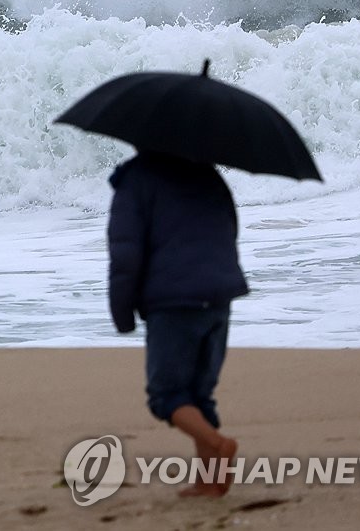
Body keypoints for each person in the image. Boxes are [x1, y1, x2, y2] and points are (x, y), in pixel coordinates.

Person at [107, 150, 247, 497]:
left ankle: (219, 443)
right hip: (218, 295)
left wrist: (122, 313)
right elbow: (231, 227)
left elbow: (125, 253)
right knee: (200, 394)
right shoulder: (208, 172)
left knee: (166, 396)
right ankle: (208, 482)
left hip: (173, 304)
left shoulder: (135, 180)